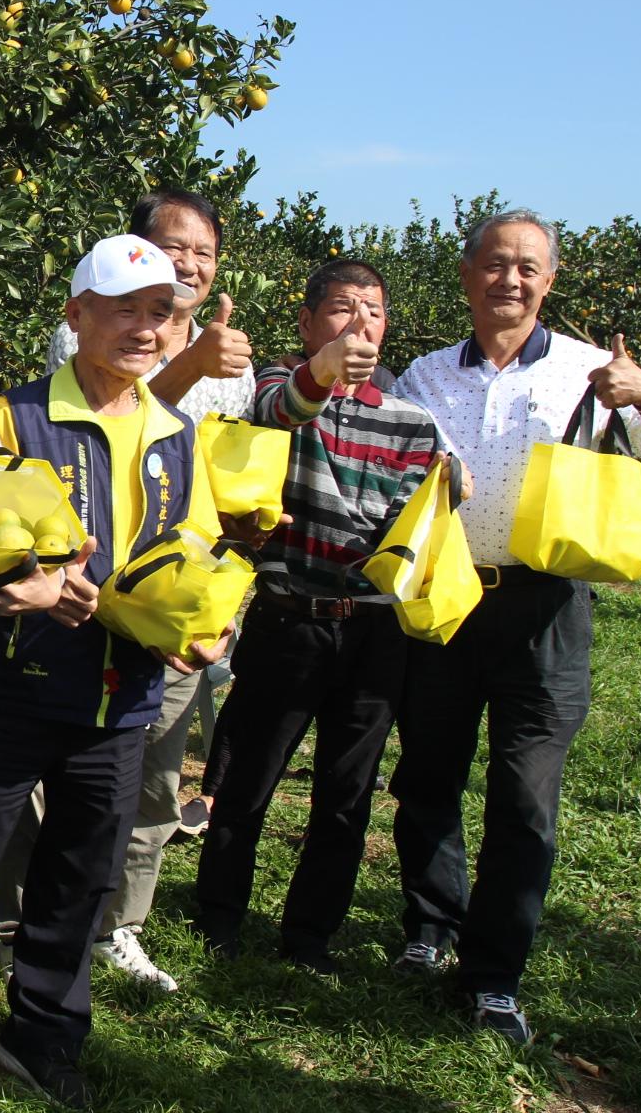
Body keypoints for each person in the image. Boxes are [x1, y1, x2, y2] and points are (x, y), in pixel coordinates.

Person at [0, 234, 228, 1109]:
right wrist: (28, 583)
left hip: (127, 687)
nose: (144, 329)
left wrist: (203, 620)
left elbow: (197, 542)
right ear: (76, 316)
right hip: (20, 677)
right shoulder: (14, 417)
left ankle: (44, 1026)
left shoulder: (176, 432)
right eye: (123, 310)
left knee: (83, 864)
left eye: (160, 314)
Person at [390, 209, 641, 1042]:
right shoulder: (425, 375)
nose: (511, 280)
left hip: (547, 609)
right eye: (495, 263)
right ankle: (430, 927)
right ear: (467, 274)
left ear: (550, 280)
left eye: (528, 267)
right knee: (429, 776)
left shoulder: (591, 371)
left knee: (525, 796)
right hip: (450, 597)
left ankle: (494, 975)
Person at [12, 188, 255, 994]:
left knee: (154, 771)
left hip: (175, 591)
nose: (189, 264)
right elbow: (114, 417)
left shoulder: (231, 352)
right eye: (174, 247)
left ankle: (121, 923)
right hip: (80, 590)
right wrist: (189, 362)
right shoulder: (95, 322)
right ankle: (25, 919)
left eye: (203, 252)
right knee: (50, 776)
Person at [191, 260, 444, 972]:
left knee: (346, 794)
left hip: (373, 630)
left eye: (373, 310)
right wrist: (321, 372)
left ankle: (310, 936)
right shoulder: (278, 386)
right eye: (341, 307)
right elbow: (281, 409)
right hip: (289, 619)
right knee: (249, 778)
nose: (360, 321)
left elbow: (410, 523)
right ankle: (218, 918)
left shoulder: (412, 423)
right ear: (307, 323)